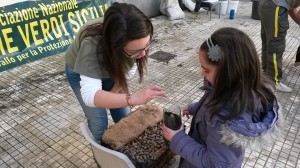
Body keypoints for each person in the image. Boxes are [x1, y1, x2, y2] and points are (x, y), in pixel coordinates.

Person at [162, 27, 281, 168]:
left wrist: (178, 139)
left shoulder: (226, 118)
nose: (202, 74)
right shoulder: (234, 88)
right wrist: (195, 108)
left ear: (229, 72)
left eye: (206, 70)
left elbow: (216, 165)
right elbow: (212, 101)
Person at [65, 2, 166, 142]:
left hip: (112, 69)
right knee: (99, 122)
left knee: (124, 116)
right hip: (80, 71)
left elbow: (127, 72)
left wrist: (113, 93)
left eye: (146, 46)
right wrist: (132, 98)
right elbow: (90, 96)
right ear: (115, 45)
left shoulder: (136, 38)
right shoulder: (92, 45)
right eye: (134, 51)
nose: (143, 54)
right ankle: (103, 157)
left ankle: (124, 152)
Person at [258, 1, 300, 92]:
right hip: (275, 7)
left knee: (268, 43)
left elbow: (291, 8)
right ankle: (273, 82)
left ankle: (266, 77)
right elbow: (294, 10)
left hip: (267, 4)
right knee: (276, 46)